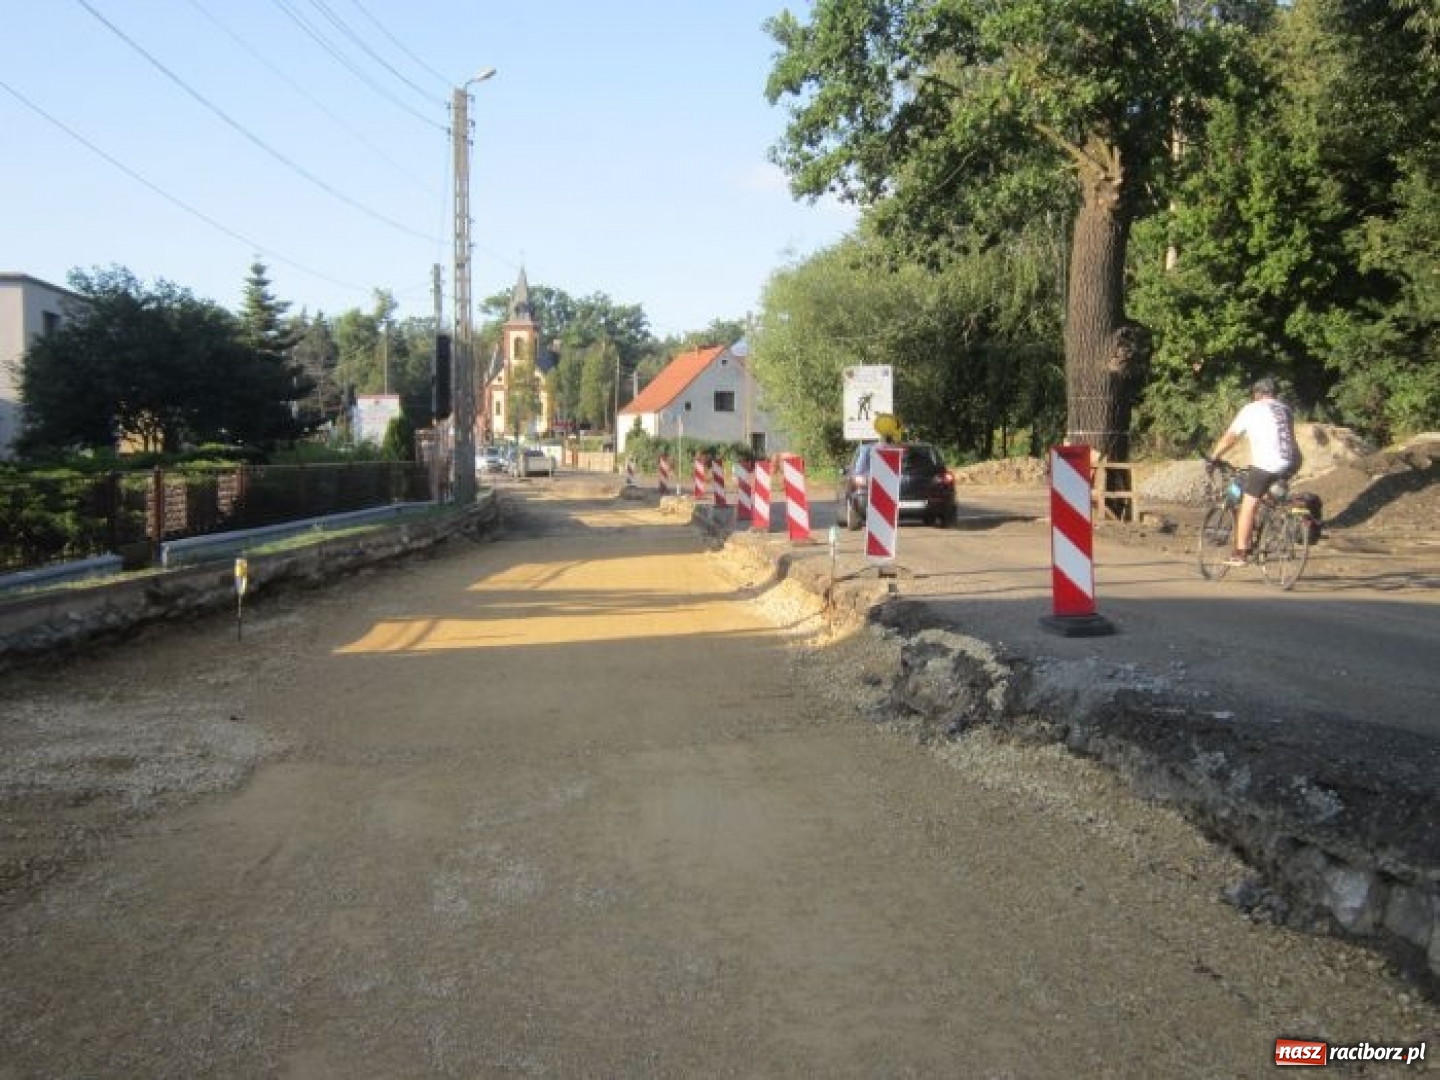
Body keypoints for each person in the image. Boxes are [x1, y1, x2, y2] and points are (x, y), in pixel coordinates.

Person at [1207, 376, 1301, 566]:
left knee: (1248, 506)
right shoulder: (1286, 409)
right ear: (1274, 394)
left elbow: (1230, 438)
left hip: (1266, 464)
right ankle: (1272, 530)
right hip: (1291, 463)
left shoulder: (1252, 409)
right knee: (1267, 496)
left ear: (1257, 394)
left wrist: (1214, 456)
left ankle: (1240, 553)